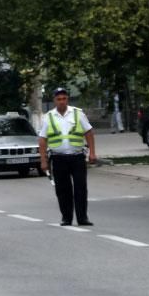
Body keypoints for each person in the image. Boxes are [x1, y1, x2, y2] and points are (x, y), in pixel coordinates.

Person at [38, 88, 97, 226]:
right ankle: (66, 218)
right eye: (59, 99)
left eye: (64, 98)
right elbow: (42, 140)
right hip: (58, 159)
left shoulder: (77, 113)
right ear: (54, 101)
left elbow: (89, 132)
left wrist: (92, 153)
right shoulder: (49, 117)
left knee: (80, 188)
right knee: (62, 190)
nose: (62, 101)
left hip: (77, 157)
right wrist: (43, 160)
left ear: (67, 99)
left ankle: (82, 218)